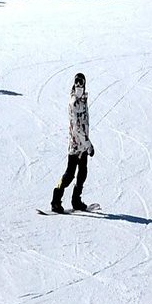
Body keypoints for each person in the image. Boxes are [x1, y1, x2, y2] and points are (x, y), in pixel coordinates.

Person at [50, 72, 94, 213]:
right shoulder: (74, 102)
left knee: (82, 173)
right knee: (70, 175)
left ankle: (76, 200)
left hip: (83, 145)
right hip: (76, 145)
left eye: (81, 82)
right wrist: (88, 144)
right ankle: (56, 199)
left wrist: (86, 144)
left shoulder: (83, 100)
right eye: (77, 82)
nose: (79, 85)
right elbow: (76, 128)